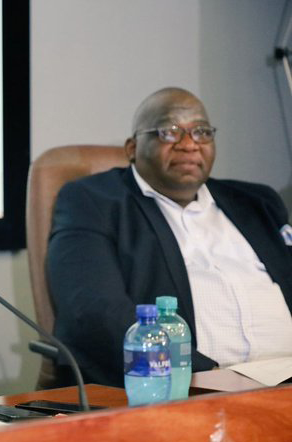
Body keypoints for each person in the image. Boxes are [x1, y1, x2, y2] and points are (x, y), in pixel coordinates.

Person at [47, 87, 292, 387]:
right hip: (191, 387)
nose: (189, 145)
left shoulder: (257, 202)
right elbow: (93, 313)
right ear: (132, 148)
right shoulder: (93, 201)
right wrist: (207, 375)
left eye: (201, 132)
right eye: (169, 132)